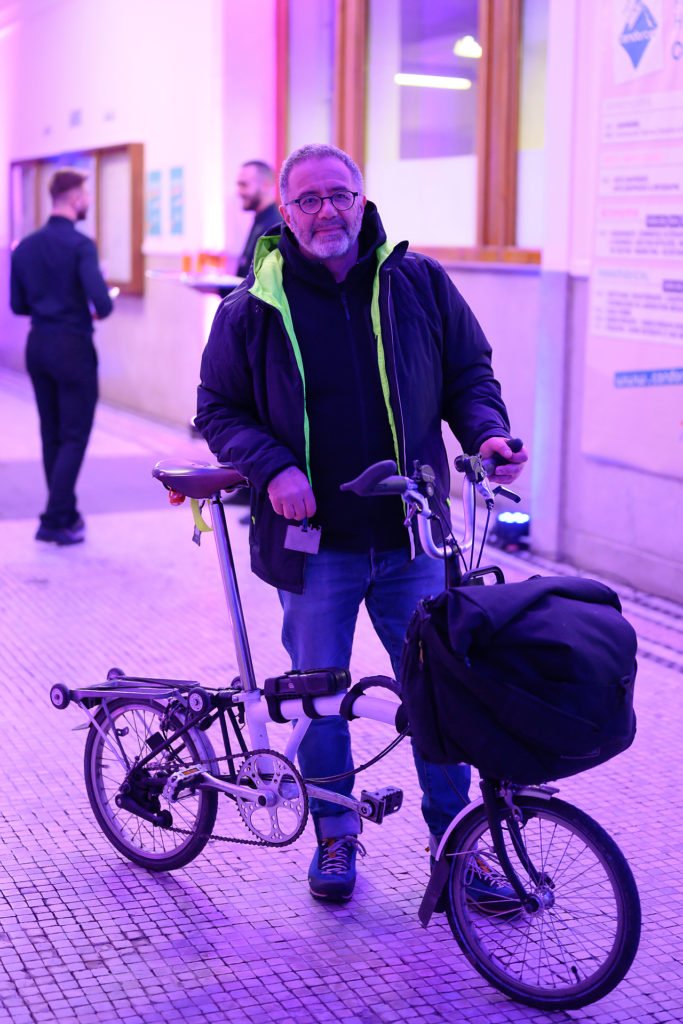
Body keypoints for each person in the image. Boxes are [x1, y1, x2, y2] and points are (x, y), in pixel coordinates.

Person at [196, 143, 528, 903]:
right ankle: (336, 837)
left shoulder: (416, 282)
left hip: (412, 536)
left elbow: (468, 374)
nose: (326, 212)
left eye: (338, 195)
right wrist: (272, 466)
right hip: (315, 550)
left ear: (362, 197)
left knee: (438, 695)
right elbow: (216, 408)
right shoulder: (252, 307)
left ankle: (456, 848)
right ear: (285, 213)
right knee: (319, 700)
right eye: (308, 200)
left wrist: (485, 435)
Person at [10, 167, 114, 545]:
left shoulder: (27, 246)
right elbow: (102, 303)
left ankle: (65, 512)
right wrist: (96, 299)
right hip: (73, 346)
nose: (86, 201)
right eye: (85, 195)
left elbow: (19, 304)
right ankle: (54, 519)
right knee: (74, 434)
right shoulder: (81, 246)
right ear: (75, 198)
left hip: (38, 346)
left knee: (52, 434)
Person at [234, 161, 281, 278]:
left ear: (265, 185)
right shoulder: (260, 220)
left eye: (244, 185)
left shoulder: (275, 226)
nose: (238, 192)